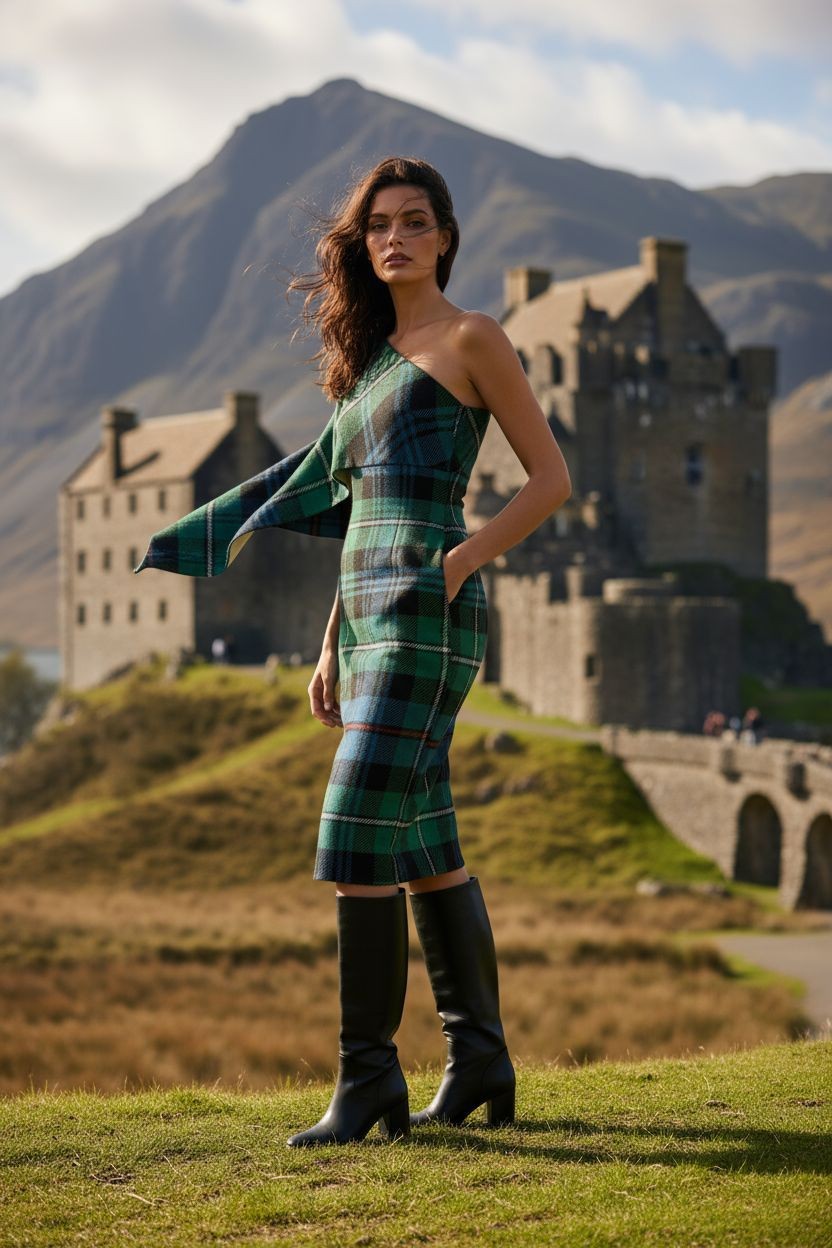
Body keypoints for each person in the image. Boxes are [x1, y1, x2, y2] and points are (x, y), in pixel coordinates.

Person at [135, 156, 571, 1146]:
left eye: (415, 222)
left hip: (426, 612)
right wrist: (332, 642)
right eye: (379, 225)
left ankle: (367, 1080)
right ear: (362, 244)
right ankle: (480, 1062)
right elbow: (350, 512)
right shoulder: (373, 363)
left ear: (445, 237)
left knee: (351, 838)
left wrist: (456, 566)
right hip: (367, 618)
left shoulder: (472, 337)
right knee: (423, 847)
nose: (395, 239)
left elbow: (549, 480)